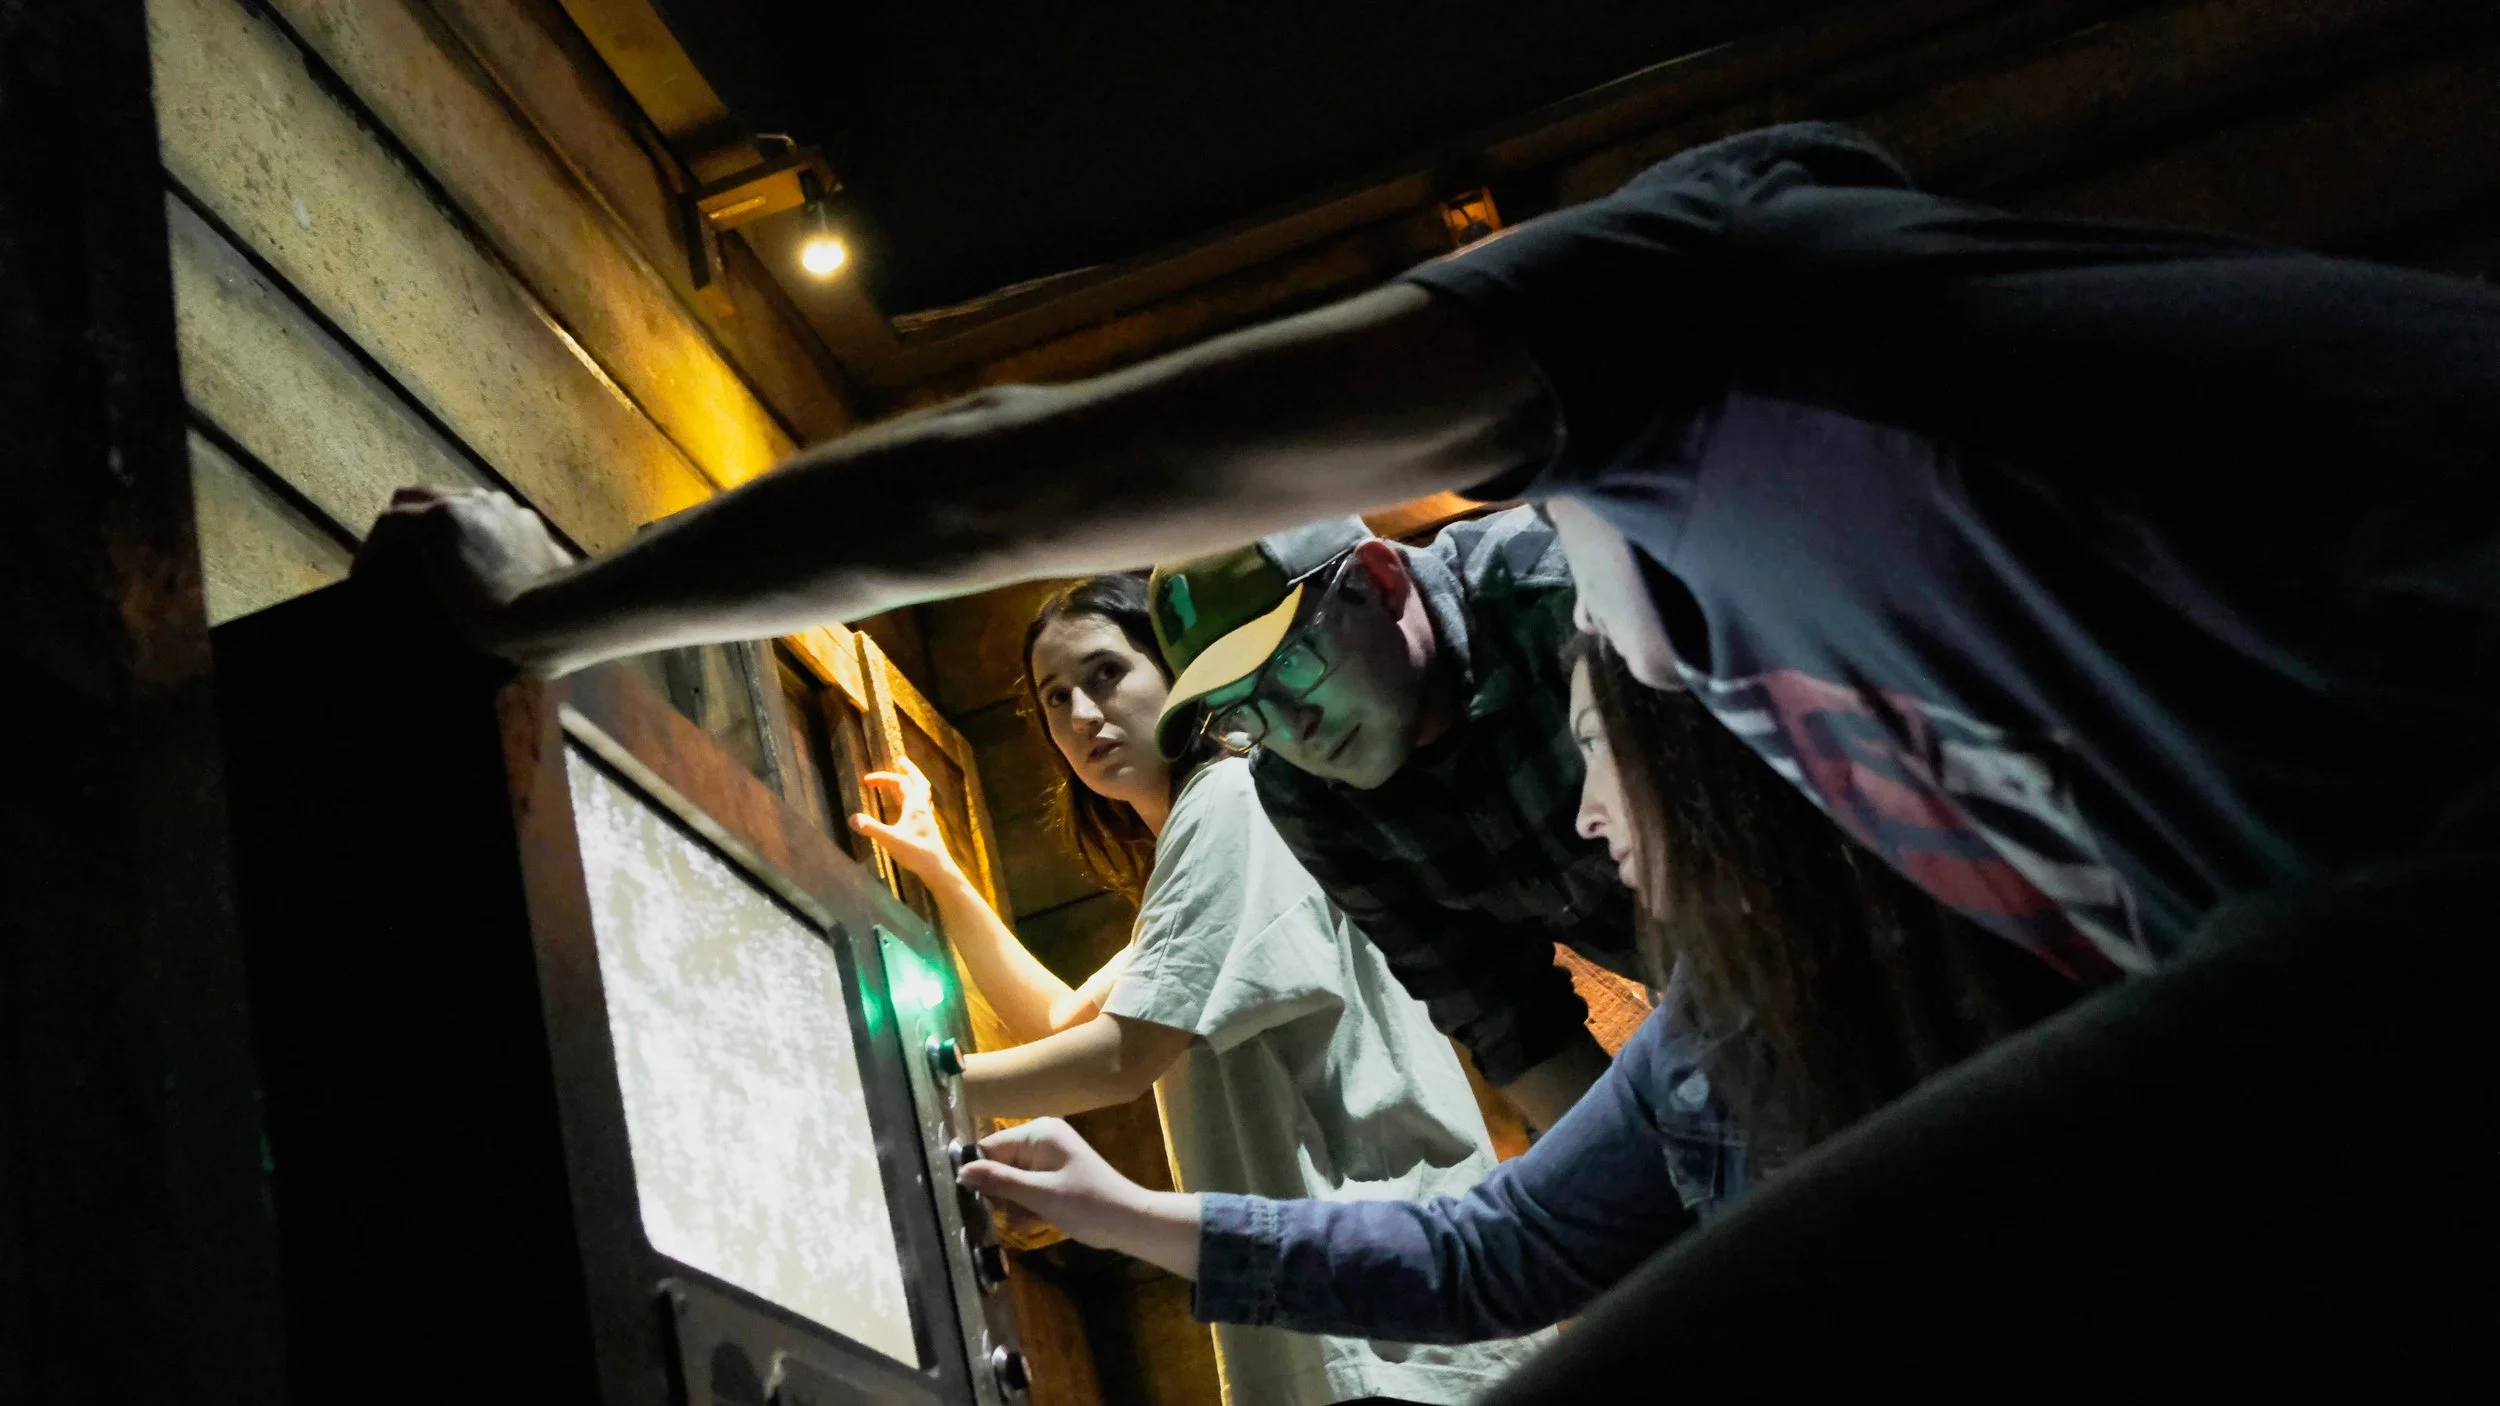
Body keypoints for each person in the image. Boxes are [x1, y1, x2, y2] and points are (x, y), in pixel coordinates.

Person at [362, 120, 2498, 1368]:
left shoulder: (1690, 326)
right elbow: (1525, 1214)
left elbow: (1005, 482)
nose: (1583, 832)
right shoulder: (1839, 836)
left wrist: (546, 614)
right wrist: (1124, 1212)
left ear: (1418, 569)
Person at [950, 634, 2070, 1334]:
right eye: (1053, 697)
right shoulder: (1696, 1048)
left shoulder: (1980, 960)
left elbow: (1113, 1046)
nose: (1581, 815)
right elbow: (1497, 1246)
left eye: (1597, 750)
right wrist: (1128, 1212)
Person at [850, 572, 1548, 1406]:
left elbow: (1119, 1060)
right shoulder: (1213, 833)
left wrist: (888, 1088)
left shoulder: (1235, 800)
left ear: (1175, 672)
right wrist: (940, 868)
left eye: (1106, 674)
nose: (1081, 716)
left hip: (1388, 1330)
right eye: (1055, 697)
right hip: (1374, 1311)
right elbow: (1065, 1019)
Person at [1134, 509, 1641, 1131]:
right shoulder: (1303, 791)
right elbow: (1507, 1019)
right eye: (1244, 707)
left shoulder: (1563, 590)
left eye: (1292, 665)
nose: (1294, 731)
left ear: (1379, 579)